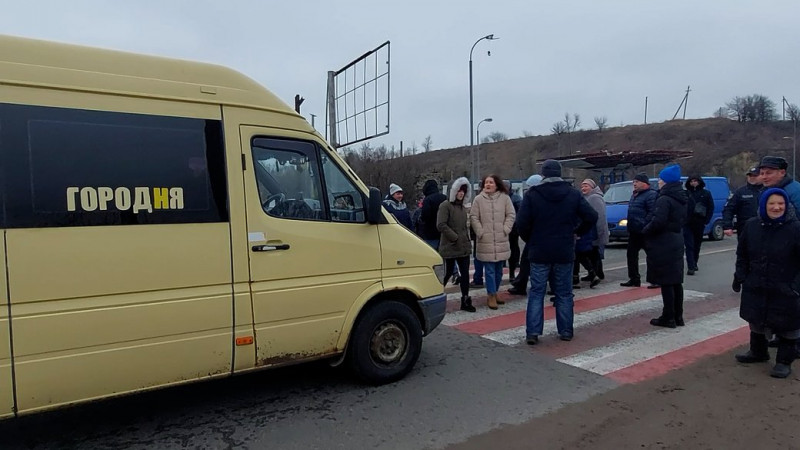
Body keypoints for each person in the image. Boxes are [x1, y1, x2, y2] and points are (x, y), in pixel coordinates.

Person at [516, 160, 597, 344]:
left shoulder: (532, 195)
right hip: (564, 249)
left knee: (536, 292)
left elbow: (521, 224)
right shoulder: (573, 194)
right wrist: (577, 232)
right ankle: (566, 331)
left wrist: (532, 239)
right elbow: (592, 216)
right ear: (560, 173)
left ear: (543, 175)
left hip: (539, 250)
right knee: (564, 292)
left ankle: (533, 333)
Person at [733, 188, 800, 378]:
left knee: (788, 325)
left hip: (785, 286)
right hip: (756, 283)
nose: (776, 207)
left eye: (781, 203)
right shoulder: (752, 226)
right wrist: (741, 275)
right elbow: (742, 254)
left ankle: (784, 361)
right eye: (771, 203)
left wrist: (796, 286)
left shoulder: (795, 228)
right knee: (756, 319)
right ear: (763, 205)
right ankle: (758, 352)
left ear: (787, 206)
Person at [643, 164, 688, 328]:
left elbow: (658, 221)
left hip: (663, 242)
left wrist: (645, 231)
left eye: (661, 179)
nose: (659, 182)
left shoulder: (664, 199)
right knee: (676, 281)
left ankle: (668, 317)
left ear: (667, 181)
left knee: (666, 281)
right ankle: (678, 316)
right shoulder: (682, 198)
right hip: (676, 239)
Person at [469, 174, 516, 310]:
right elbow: (473, 217)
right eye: (486, 183)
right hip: (485, 240)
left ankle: (495, 292)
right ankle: (491, 295)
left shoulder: (505, 198)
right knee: (489, 269)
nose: (488, 185)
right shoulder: (478, 199)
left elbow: (511, 214)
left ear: (496, 184)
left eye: (491, 182)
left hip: (501, 239)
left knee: (499, 270)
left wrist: (506, 228)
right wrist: (480, 231)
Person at [437, 177, 474, 312]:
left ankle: (465, 300)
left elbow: (465, 226)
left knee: (464, 274)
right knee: (447, 274)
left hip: (463, 246)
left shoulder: (462, 208)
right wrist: (455, 237)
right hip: (450, 246)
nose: (461, 193)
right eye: (459, 190)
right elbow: (441, 224)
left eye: (463, 191)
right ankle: (435, 298)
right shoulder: (445, 205)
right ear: (454, 191)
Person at [620, 173, 658, 288]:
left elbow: (652, 212)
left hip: (645, 231)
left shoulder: (651, 195)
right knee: (631, 255)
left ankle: (655, 279)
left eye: (637, 182)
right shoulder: (635, 195)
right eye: (634, 182)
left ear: (644, 183)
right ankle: (634, 278)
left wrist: (645, 225)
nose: (634, 184)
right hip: (634, 231)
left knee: (651, 256)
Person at [508, 174, 543, 295]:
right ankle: (520, 283)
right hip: (544, 236)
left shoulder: (530, 198)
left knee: (527, 262)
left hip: (534, 236)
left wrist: (525, 235)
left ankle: (521, 284)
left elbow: (523, 219)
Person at [577, 178, 609, 286]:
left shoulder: (595, 198)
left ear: (592, 187)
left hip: (595, 231)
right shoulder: (587, 198)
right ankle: (596, 273)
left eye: (586, 186)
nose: (583, 188)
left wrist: (598, 233)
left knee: (592, 253)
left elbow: (599, 217)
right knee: (592, 253)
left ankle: (596, 273)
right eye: (582, 186)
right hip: (590, 231)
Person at [683, 175, 714, 276]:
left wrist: (706, 220)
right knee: (689, 245)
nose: (693, 183)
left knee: (697, 244)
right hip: (687, 223)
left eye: (695, 181)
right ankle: (691, 266)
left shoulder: (706, 193)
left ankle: (694, 262)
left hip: (699, 222)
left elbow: (710, 207)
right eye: (691, 181)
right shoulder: (686, 193)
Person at [722, 167, 763, 238]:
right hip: (745, 229)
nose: (752, 178)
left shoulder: (768, 191)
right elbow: (729, 209)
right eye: (750, 176)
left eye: (755, 176)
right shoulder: (740, 192)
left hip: (765, 228)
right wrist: (727, 226)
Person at [419, 179, 448, 249]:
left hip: (430, 233)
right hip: (443, 233)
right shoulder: (445, 198)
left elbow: (425, 216)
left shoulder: (427, 200)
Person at [505, 180, 523, 283]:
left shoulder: (516, 198)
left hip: (513, 229)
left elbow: (520, 212)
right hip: (503, 228)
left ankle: (513, 270)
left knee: (513, 248)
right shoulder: (501, 198)